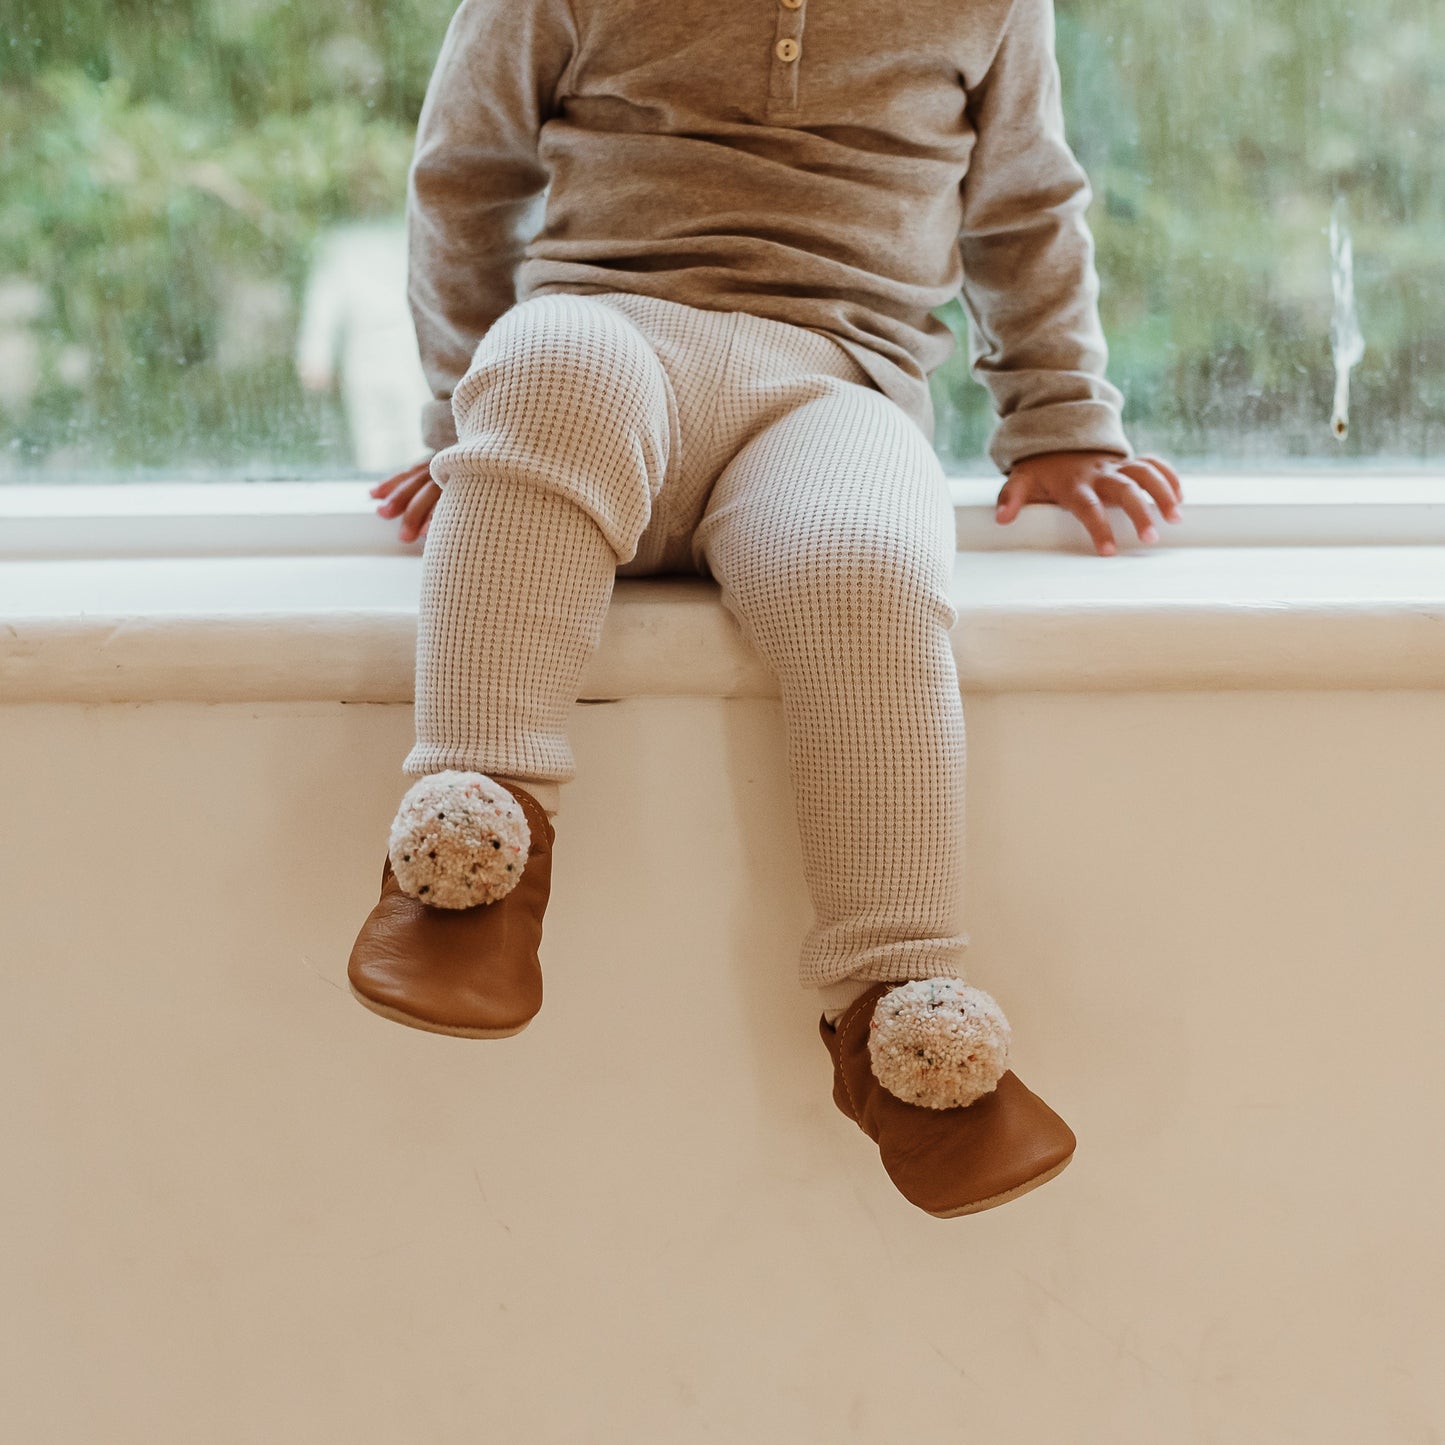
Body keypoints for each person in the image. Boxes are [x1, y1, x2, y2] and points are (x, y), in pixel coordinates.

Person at [348, 0, 1185, 1218]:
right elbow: (465, 179)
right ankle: (468, 864)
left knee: (872, 567)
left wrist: (1056, 418)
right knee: (548, 368)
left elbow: (1020, 204)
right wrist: (468, 417)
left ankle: (900, 1020)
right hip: (607, 336)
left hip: (835, 377)